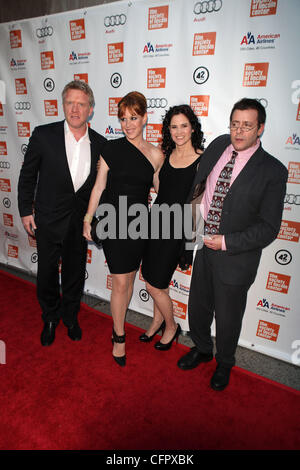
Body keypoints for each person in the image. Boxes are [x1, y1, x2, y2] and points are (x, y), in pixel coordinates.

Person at [177, 98, 288, 391]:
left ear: (260, 128)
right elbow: (200, 184)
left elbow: (268, 228)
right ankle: (201, 349)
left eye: (247, 126)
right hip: (202, 246)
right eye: (235, 124)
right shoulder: (218, 145)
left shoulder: (273, 171)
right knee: (198, 307)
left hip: (235, 256)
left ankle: (224, 362)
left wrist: (225, 241)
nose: (239, 132)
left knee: (227, 317)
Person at [18, 80, 106, 346]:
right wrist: (24, 210)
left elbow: (102, 188)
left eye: (81, 104)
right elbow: (27, 175)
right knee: (46, 271)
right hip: (47, 218)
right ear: (63, 105)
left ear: (90, 109)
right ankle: (50, 317)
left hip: (80, 222)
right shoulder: (44, 135)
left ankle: (70, 316)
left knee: (75, 273)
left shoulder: (101, 144)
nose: (75, 109)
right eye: (70, 103)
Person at [83, 91, 164, 366]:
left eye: (133, 117)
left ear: (144, 118)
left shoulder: (155, 155)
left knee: (129, 280)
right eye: (123, 119)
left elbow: (162, 192)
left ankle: (119, 326)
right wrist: (87, 218)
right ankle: (119, 336)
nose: (128, 124)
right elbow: (99, 186)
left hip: (139, 225)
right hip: (113, 222)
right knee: (119, 281)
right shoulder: (111, 149)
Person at [140, 105, 205, 350]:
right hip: (155, 224)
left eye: (184, 126)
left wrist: (189, 245)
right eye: (174, 126)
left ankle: (171, 326)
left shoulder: (201, 160)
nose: (179, 132)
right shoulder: (165, 156)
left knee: (153, 285)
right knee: (158, 281)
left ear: (192, 128)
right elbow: (159, 190)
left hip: (176, 231)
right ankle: (157, 321)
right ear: (168, 129)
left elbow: (196, 207)